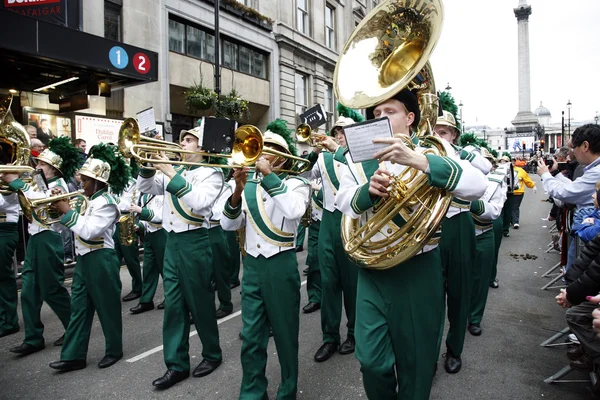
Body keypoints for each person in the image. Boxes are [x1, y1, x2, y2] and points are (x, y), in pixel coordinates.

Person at [336, 88, 488, 399]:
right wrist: (368, 191)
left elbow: (478, 185)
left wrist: (420, 162)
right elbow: (342, 201)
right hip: (372, 271)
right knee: (371, 362)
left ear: (410, 117)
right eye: (375, 115)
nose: (381, 119)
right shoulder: (355, 158)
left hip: (419, 270)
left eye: (389, 112)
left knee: (417, 365)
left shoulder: (433, 151)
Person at [221, 119, 310, 400]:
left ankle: (288, 389)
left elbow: (294, 210)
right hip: (253, 267)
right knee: (251, 337)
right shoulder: (247, 184)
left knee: (285, 334)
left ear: (283, 157)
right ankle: (252, 391)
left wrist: (269, 175)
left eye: (270, 150)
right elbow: (226, 223)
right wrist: (237, 189)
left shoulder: (296, 183)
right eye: (262, 148)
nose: (263, 154)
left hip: (281, 264)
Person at [138, 126, 224, 390]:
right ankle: (176, 364)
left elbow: (199, 203)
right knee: (174, 306)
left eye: (189, 140)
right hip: (172, 240)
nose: (182, 144)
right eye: (182, 140)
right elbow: (145, 186)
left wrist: (168, 169)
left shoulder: (213, 174)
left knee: (200, 303)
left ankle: (212, 354)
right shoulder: (178, 170)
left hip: (195, 240)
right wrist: (148, 165)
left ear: (202, 147)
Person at [48, 144, 129, 371]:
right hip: (84, 259)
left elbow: (90, 230)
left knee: (107, 307)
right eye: (81, 179)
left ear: (98, 181)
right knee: (79, 308)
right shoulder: (87, 200)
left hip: (101, 258)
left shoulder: (108, 203)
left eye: (85, 180)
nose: (81, 183)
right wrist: (57, 204)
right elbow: (68, 222)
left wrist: (67, 211)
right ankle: (74, 355)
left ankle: (114, 349)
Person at [3, 137, 80, 356]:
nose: (37, 167)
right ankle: (33, 338)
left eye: (43, 165)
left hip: (49, 239)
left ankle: (73, 328)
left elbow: (40, 200)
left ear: (54, 169)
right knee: (28, 291)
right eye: (38, 164)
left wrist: (16, 182)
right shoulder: (38, 183)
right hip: (36, 238)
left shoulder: (58, 186)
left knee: (52, 289)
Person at [434, 111, 492, 374]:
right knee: (430, 296)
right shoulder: (423, 151)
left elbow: (486, 168)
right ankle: (428, 353)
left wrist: (456, 152)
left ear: (454, 135)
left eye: (443, 132)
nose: (437, 135)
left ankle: (454, 349)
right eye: (433, 130)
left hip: (458, 224)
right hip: (429, 228)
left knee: (459, 291)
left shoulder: (464, 154)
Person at [309, 114, 361, 362]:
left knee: (352, 283)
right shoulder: (322, 157)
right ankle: (330, 337)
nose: (339, 135)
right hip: (329, 221)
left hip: (352, 220)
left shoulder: (359, 157)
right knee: (329, 283)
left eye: (344, 132)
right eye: (337, 131)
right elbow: (313, 181)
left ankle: (354, 333)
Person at [537, 124, 600, 271]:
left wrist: (545, 175)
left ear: (585, 146)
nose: (572, 152)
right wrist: (556, 173)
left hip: (589, 231)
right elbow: (575, 187)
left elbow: (567, 193)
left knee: (579, 274)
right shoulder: (593, 169)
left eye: (574, 147)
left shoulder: (597, 172)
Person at [467, 153, 507, 338]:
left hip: (483, 234)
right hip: (457, 235)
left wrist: (472, 204)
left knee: (480, 279)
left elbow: (495, 211)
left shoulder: (495, 182)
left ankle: (474, 318)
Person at [128, 189, 166, 314]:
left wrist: (141, 211)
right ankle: (146, 300)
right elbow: (146, 219)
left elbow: (162, 216)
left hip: (162, 233)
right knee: (148, 268)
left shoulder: (166, 192)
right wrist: (140, 226)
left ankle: (170, 297)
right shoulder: (145, 196)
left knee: (165, 268)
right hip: (150, 234)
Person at [113, 170, 143, 302]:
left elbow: (130, 204)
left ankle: (138, 287)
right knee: (113, 260)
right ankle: (113, 290)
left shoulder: (131, 182)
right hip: (112, 223)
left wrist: (111, 200)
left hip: (126, 221)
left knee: (131, 259)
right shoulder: (109, 182)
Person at [0, 182, 20, 338]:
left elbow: (3, 202)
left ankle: (9, 321)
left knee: (3, 278)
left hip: (5, 230)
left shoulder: (8, 182)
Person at [302, 179, 323, 314]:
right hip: (315, 221)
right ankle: (315, 297)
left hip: (333, 219)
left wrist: (318, 189)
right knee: (314, 260)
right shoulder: (312, 167)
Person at [511, 159, 536, 229]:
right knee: (508, 207)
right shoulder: (504, 170)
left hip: (518, 192)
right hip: (507, 192)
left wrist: (533, 185)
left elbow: (527, 180)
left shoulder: (520, 170)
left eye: (513, 161)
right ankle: (510, 221)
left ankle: (515, 222)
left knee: (515, 207)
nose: (512, 162)